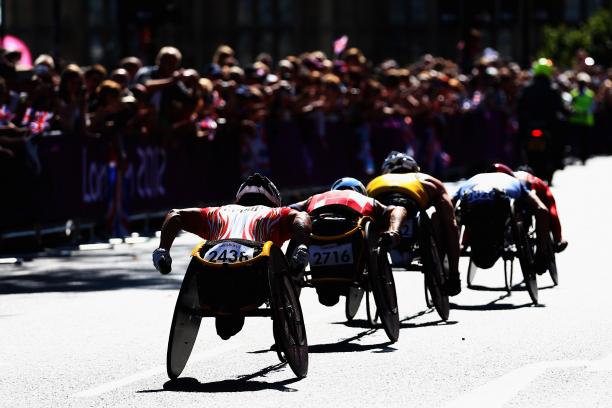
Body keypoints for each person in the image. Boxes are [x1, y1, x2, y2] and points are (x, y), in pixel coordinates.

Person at [152, 173, 312, 340]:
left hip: (210, 286)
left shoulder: (217, 213)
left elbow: (175, 214)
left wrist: (163, 250)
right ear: (273, 201)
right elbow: (303, 217)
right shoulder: (275, 213)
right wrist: (301, 246)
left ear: (239, 198)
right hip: (252, 285)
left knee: (225, 330)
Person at [290, 177, 407, 306]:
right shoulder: (366, 199)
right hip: (351, 233)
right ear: (360, 191)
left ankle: (298, 260)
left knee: (327, 300)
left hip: (318, 231)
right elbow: (398, 210)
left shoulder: (314, 198)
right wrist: (394, 231)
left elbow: (289, 210)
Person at [366, 151, 461, 296]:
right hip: (408, 202)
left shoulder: (375, 181)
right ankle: (453, 275)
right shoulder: (427, 179)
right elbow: (451, 223)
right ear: (414, 168)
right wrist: (454, 273)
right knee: (444, 221)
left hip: (379, 201)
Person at [453, 169, 551, 273]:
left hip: (475, 202)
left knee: (460, 215)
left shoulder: (466, 184)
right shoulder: (516, 182)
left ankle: (457, 252)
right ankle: (541, 255)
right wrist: (541, 252)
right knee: (540, 210)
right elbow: (542, 210)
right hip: (496, 206)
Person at [492, 163, 567, 253]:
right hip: (531, 193)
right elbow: (552, 212)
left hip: (512, 194)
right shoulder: (536, 180)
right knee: (550, 210)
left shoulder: (510, 176)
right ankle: (555, 241)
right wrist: (558, 238)